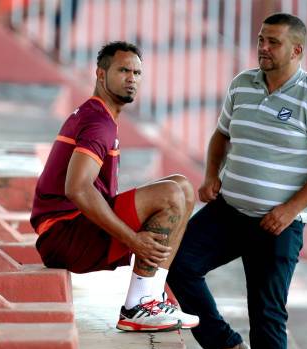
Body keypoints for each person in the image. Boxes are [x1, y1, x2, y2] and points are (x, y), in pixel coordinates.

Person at [167, 13, 307, 349]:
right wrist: (212, 176)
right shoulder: (242, 85)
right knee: (176, 262)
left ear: (296, 50)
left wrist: (289, 209)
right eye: (261, 40)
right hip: (229, 210)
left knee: (266, 313)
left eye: (274, 43)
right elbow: (221, 135)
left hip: (278, 225)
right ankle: (223, 343)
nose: (263, 48)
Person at [30, 41, 199, 332]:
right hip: (64, 235)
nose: (131, 78)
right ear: (100, 74)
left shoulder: (100, 116)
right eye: (123, 70)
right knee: (171, 194)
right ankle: (138, 306)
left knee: (182, 186)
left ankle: (151, 297)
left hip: (71, 231)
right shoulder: (98, 122)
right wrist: (133, 239)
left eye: (136, 72)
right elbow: (78, 189)